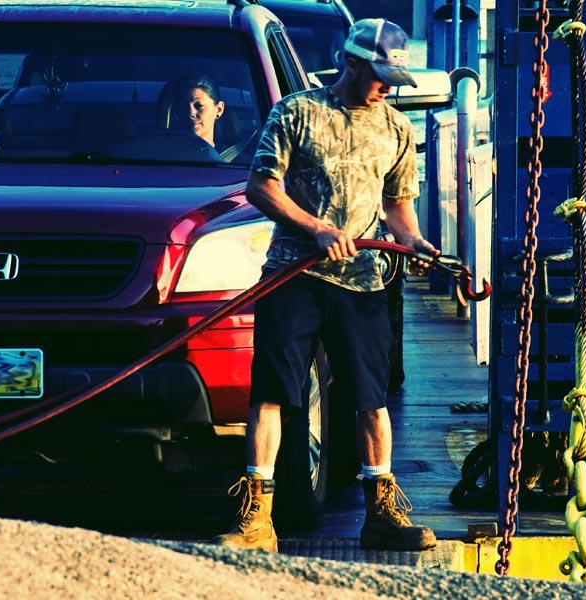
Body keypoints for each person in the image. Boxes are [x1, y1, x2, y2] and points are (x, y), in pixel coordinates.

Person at [213, 18, 439, 553]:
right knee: (272, 394)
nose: (387, 87)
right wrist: (315, 230)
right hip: (293, 275)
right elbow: (261, 187)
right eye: (379, 75)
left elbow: (395, 206)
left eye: (394, 78)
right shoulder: (297, 112)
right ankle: (257, 518)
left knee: (370, 398)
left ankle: (381, 513)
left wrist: (417, 242)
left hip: (362, 282)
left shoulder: (396, 130)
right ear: (352, 63)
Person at [182, 75, 224, 149]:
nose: (191, 113)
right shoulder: (169, 155)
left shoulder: (236, 160)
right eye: (185, 106)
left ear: (218, 109)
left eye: (199, 105)